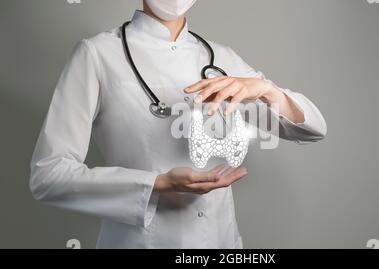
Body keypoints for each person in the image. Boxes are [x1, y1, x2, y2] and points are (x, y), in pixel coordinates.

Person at [29, 0, 327, 249]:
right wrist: (156, 185)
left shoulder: (221, 57)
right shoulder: (97, 54)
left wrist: (266, 90)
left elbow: (313, 129)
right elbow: (49, 176)